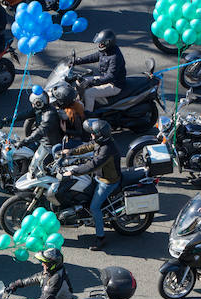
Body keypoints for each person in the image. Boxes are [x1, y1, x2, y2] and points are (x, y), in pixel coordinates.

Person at [61, 119, 121, 250]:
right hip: (99, 176)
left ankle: (101, 237)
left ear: (99, 135)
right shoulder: (102, 141)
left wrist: (73, 171)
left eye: (93, 134)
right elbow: (88, 146)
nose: (91, 135)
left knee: (94, 207)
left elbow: (93, 165)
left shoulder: (106, 149)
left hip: (107, 182)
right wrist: (70, 152)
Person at [73, 30, 126, 113]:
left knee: (89, 93)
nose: (99, 44)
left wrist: (92, 81)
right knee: (80, 83)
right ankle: (80, 104)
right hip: (104, 78)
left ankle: (87, 116)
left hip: (114, 85)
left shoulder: (115, 57)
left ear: (108, 43)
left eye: (101, 43)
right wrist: (77, 61)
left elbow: (110, 77)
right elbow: (94, 57)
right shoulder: (106, 51)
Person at [14, 89, 64, 154]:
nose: (32, 105)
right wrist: (6, 120)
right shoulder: (41, 109)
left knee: (36, 163)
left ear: (39, 103)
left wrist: (24, 141)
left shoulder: (49, 115)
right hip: (41, 141)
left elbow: (40, 131)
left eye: (33, 103)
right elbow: (26, 114)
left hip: (48, 146)